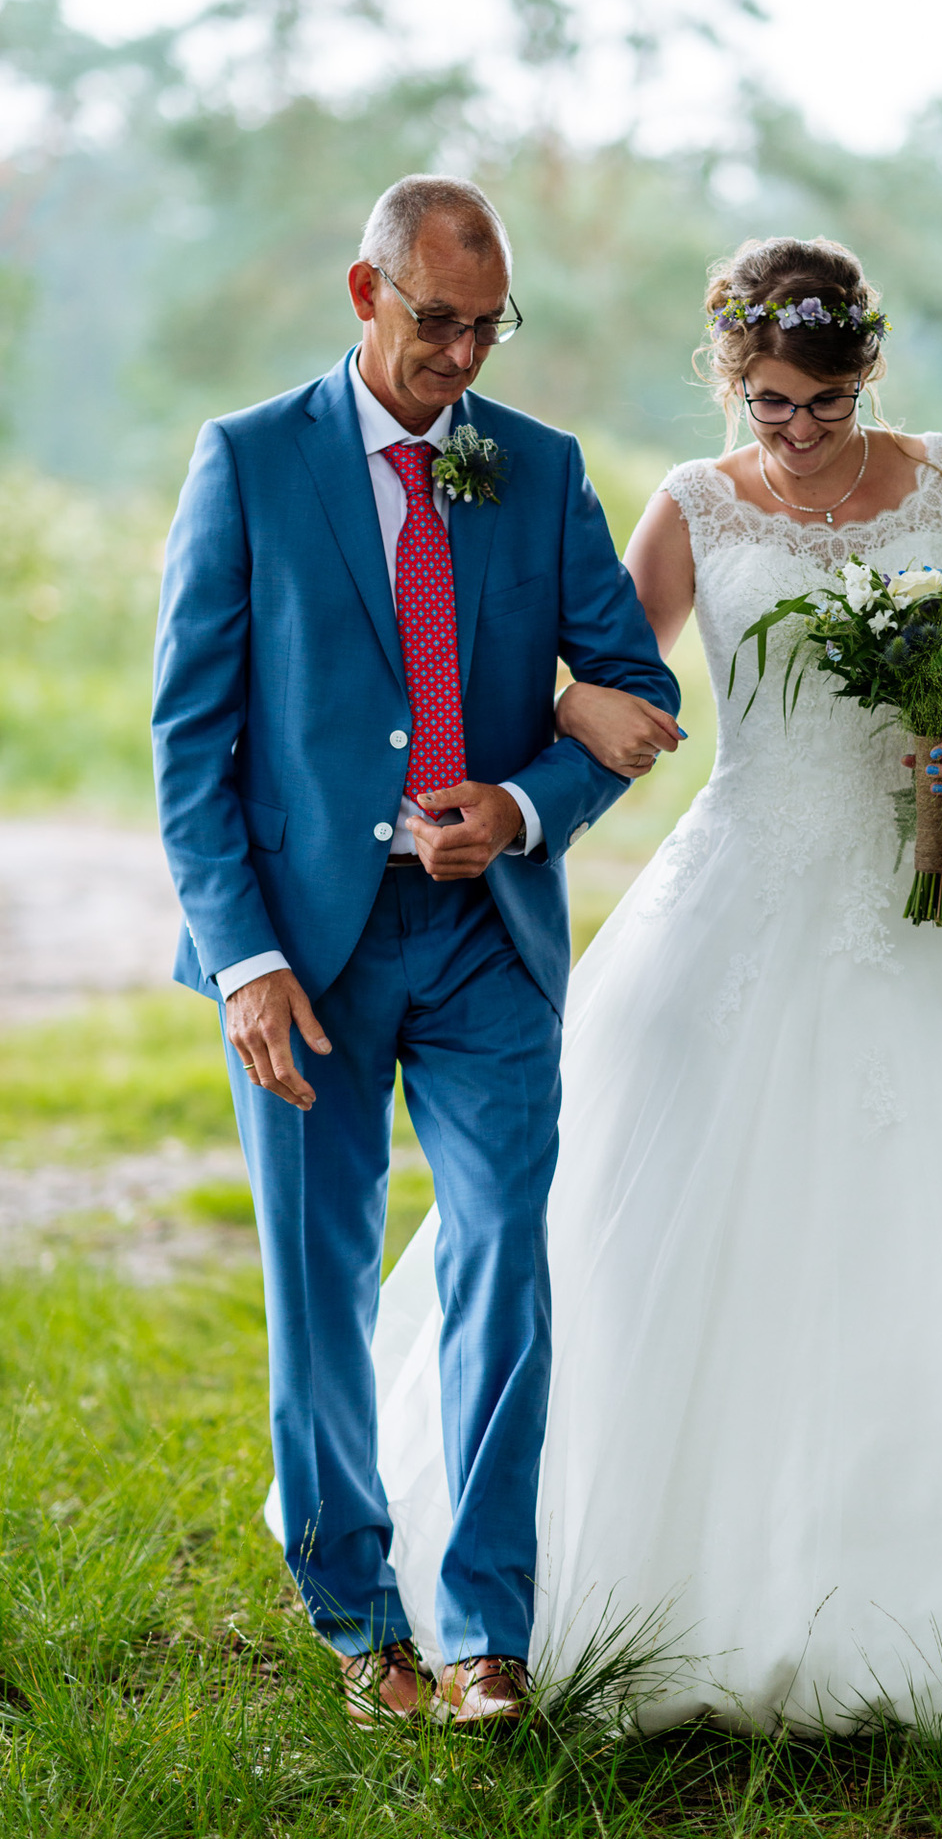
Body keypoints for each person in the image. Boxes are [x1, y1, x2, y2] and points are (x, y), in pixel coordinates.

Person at [372, 234, 942, 1753]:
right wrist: (537, 735)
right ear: (731, 379)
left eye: (821, 406)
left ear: (866, 377)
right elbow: (609, 678)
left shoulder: (940, 477)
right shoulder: (693, 504)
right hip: (753, 871)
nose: (794, 430)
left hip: (941, 879)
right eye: (768, 402)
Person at [151, 174, 679, 1728]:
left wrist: (520, 805)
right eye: (435, 323)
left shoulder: (539, 467)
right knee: (318, 1282)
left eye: (485, 327)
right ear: (365, 293)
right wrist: (241, 958)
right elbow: (191, 746)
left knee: (504, 1253)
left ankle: (486, 1630)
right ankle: (352, 1605)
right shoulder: (248, 462)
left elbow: (632, 683)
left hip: (486, 942)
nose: (460, 359)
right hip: (303, 954)